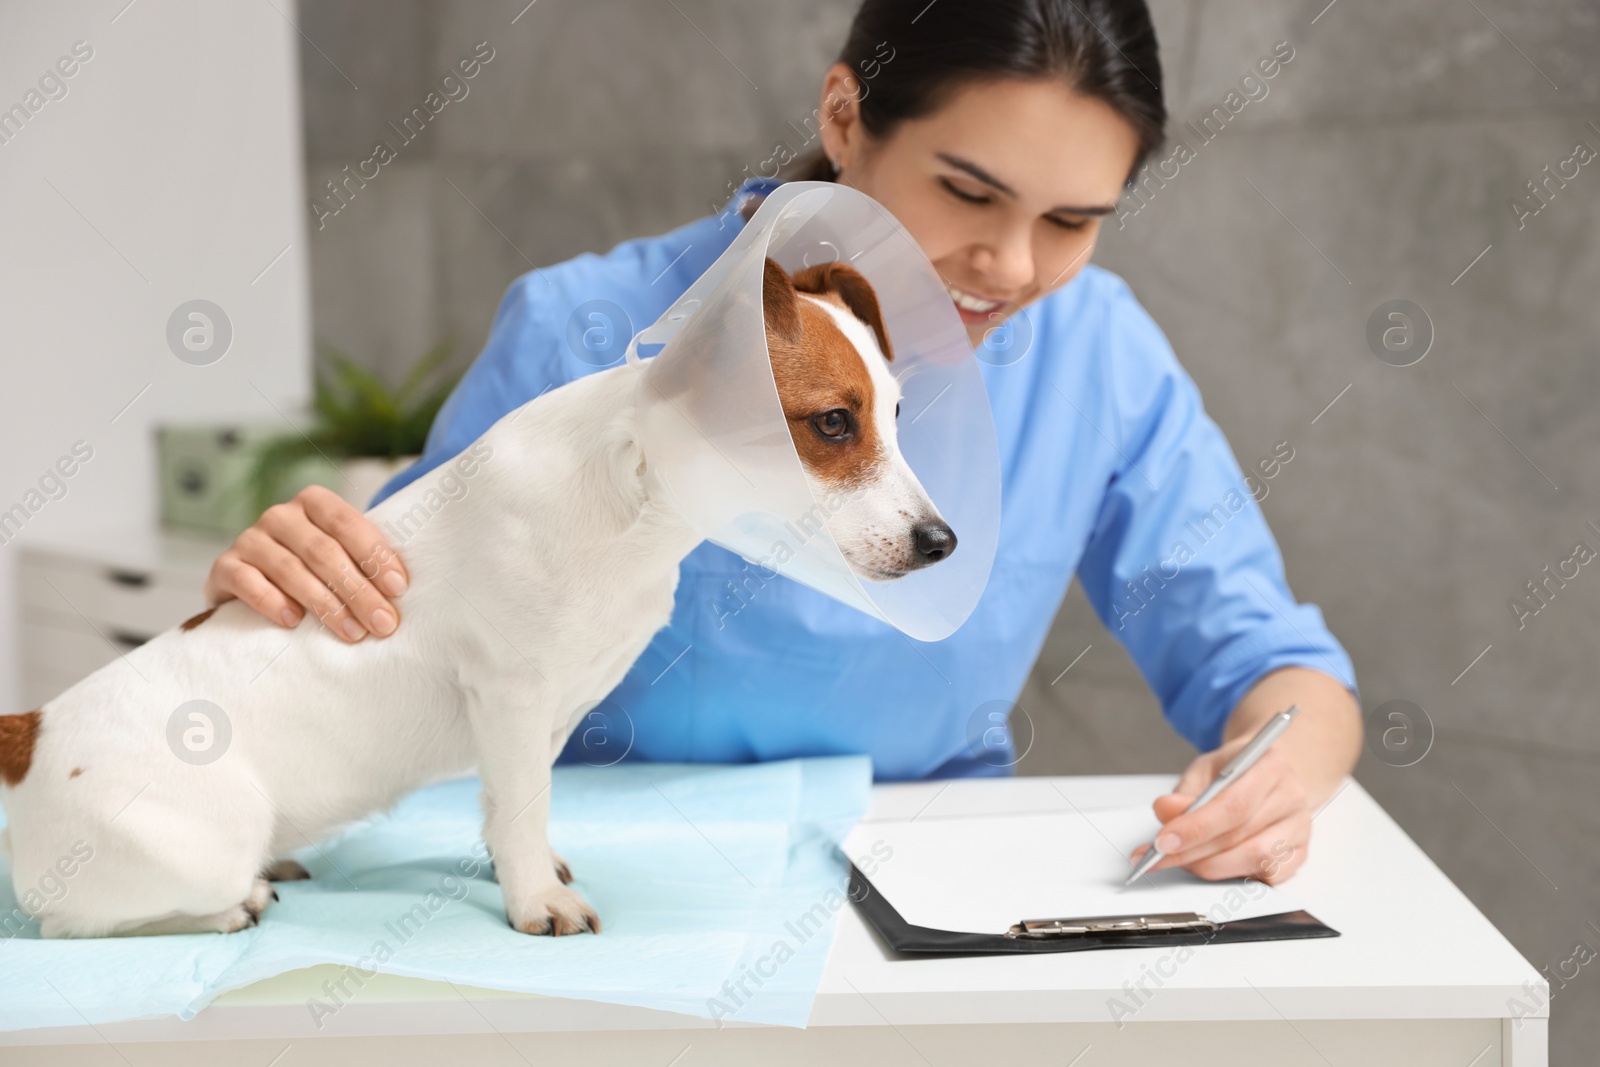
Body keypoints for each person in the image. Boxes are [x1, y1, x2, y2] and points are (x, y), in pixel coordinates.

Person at [204, 0, 1361, 885]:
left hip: (923, 891)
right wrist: (287, 592)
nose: (1011, 268)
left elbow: (1271, 663)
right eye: (967, 193)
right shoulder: (581, 329)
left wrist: (1275, 773)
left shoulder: (1092, 352)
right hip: (587, 883)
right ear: (845, 118)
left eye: (1070, 223)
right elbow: (388, 628)